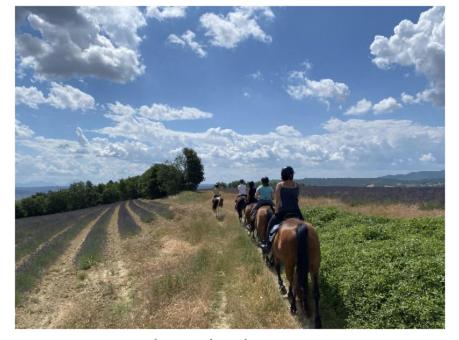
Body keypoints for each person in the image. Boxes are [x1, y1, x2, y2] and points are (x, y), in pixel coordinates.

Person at [260, 166, 304, 253]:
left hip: (283, 212)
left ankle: (267, 245)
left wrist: (276, 212)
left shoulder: (280, 185)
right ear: (292, 175)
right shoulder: (297, 185)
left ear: (283, 175)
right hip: (296, 212)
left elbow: (278, 201)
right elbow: (296, 199)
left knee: (270, 224)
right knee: (305, 226)